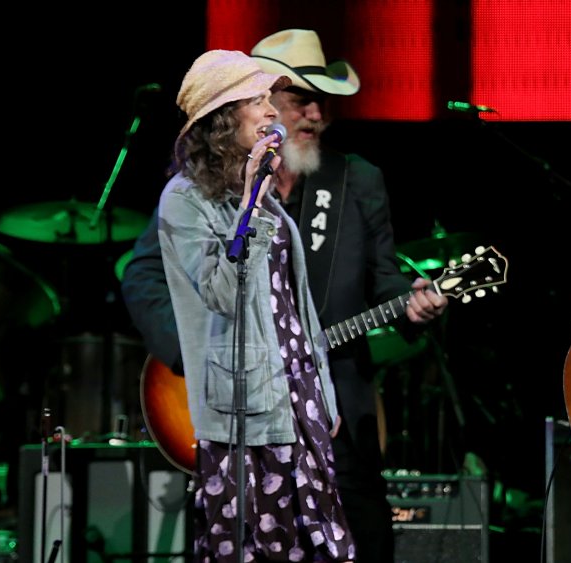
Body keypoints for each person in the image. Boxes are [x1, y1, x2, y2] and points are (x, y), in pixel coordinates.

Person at [122, 30, 448, 562]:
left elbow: (358, 286)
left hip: (323, 395)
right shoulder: (202, 195)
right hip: (241, 402)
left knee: (345, 541)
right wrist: (194, 358)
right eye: (295, 99)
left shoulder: (351, 180)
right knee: (257, 541)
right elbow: (168, 282)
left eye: (323, 102)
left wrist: (409, 307)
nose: (312, 114)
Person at [154, 48, 354, 561]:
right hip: (245, 403)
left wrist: (322, 390)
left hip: (297, 391)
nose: (271, 111)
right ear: (224, 118)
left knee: (318, 544)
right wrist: (248, 204)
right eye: (257, 100)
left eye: (270, 98)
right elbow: (223, 295)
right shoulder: (186, 198)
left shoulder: (265, 198)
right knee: (258, 544)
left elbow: (294, 307)